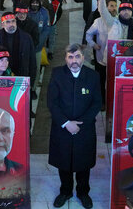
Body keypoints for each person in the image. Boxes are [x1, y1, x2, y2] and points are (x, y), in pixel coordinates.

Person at [47, 44, 101, 209]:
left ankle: (83, 192)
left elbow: (97, 103)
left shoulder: (93, 76)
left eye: (77, 56)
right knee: (64, 163)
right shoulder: (57, 74)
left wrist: (79, 124)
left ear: (83, 58)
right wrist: (66, 123)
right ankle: (65, 191)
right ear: (65, 59)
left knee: (83, 164)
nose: (74, 61)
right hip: (62, 129)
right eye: (70, 57)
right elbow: (52, 102)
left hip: (84, 129)